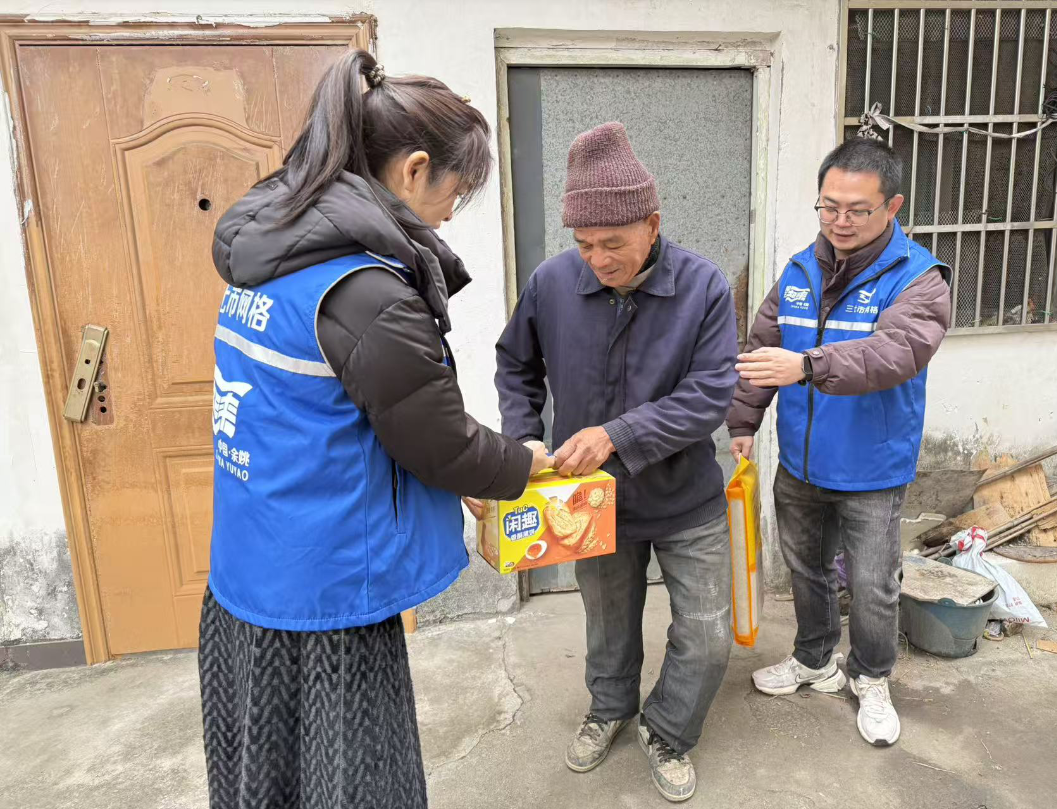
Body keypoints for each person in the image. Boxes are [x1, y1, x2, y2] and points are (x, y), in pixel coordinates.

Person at [201, 49, 551, 809]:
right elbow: (439, 440)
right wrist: (522, 464)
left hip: (249, 570)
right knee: (354, 784)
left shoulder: (271, 259)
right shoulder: (363, 289)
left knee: (267, 778)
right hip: (325, 597)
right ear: (414, 169)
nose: (450, 214)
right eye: (455, 193)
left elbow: (339, 415)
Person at [495, 122, 739, 803]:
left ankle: (668, 727)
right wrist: (523, 436)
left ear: (652, 223)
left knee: (709, 632)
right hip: (589, 503)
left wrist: (616, 434)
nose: (597, 259)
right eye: (583, 244)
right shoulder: (552, 284)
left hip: (687, 497)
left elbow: (711, 392)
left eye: (613, 243)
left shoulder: (703, 288)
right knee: (607, 623)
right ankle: (609, 708)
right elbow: (516, 364)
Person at [726, 137, 951, 747]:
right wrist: (744, 424)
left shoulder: (919, 279)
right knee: (806, 571)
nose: (840, 221)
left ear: (893, 207)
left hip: (872, 468)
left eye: (856, 209)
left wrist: (807, 366)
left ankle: (871, 676)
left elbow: (894, 354)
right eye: (828, 207)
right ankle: (814, 658)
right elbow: (759, 348)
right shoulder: (799, 269)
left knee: (874, 585)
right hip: (799, 461)